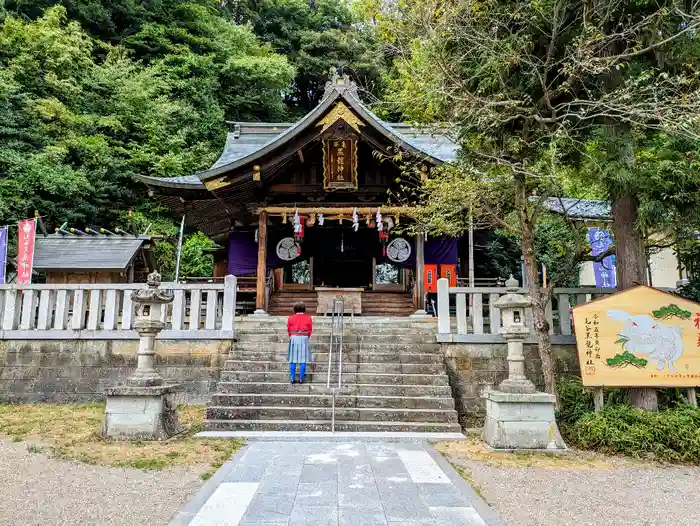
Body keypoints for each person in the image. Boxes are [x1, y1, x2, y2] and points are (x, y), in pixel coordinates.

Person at [287, 301, 312, 384]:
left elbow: (289, 330)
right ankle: (301, 379)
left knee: (293, 359)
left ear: (295, 309)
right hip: (304, 337)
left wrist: (291, 336)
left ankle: (292, 378)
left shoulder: (290, 318)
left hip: (294, 337)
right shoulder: (308, 318)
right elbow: (310, 330)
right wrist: (306, 336)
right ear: (304, 309)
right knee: (303, 358)